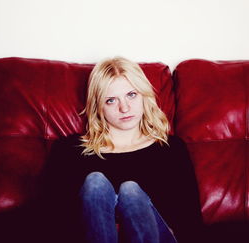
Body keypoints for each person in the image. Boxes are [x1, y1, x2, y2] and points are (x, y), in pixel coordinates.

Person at [60, 57, 203, 243]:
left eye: (131, 95)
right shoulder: (71, 152)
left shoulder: (171, 149)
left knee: (130, 192)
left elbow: (191, 224)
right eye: (111, 100)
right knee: (95, 183)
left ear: (144, 96)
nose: (124, 108)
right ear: (98, 107)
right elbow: (55, 222)